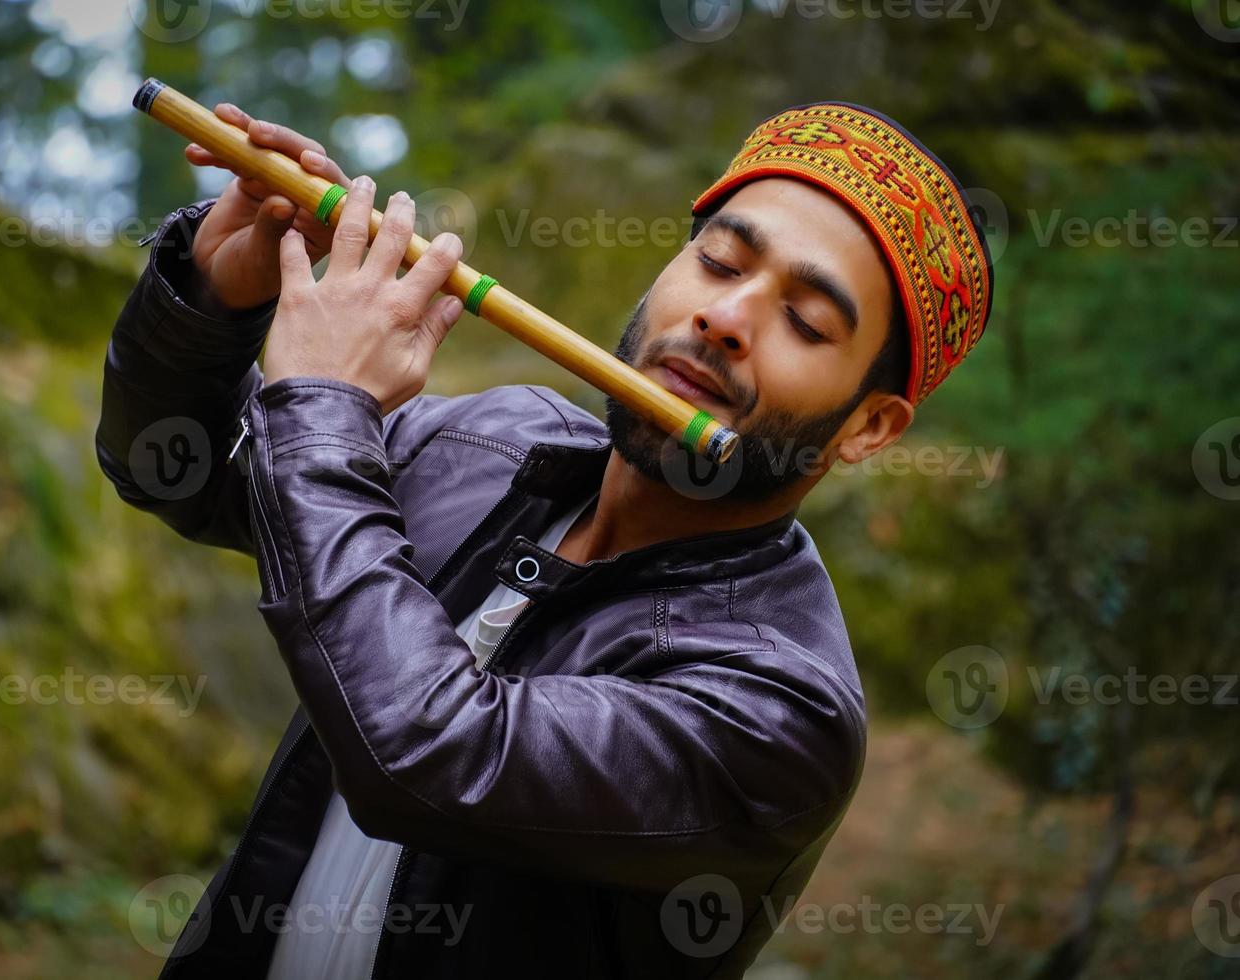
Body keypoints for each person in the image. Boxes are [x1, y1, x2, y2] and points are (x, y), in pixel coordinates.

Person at [96, 101, 993, 978]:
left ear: (869, 427)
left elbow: (426, 755)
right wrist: (217, 297)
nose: (726, 318)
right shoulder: (488, 441)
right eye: (719, 261)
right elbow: (181, 469)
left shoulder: (781, 708)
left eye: (805, 322)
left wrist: (325, 408)